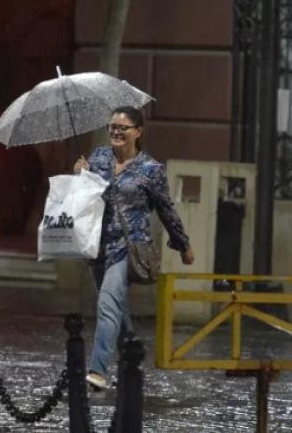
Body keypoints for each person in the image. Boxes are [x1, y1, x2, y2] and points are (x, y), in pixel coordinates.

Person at [73, 106, 195, 390]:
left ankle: (98, 371)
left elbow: (166, 209)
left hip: (129, 247)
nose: (115, 131)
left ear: (138, 132)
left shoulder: (151, 170)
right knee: (115, 307)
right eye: (112, 126)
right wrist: (79, 174)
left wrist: (183, 245)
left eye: (122, 127)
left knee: (107, 303)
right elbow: (85, 195)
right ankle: (131, 356)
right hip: (98, 244)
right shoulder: (99, 157)